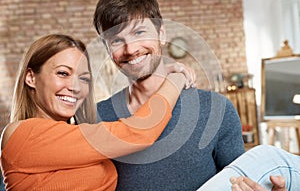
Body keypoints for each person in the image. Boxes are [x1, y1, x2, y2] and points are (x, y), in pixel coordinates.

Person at [93, 0, 300, 190]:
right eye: (117, 40)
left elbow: (242, 181)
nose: (131, 49)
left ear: (161, 33)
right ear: (107, 49)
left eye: (139, 32)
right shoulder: (97, 118)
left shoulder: (215, 109)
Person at [0, 34, 195, 190]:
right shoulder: (24, 135)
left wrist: (156, 76)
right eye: (63, 73)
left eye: (84, 79)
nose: (75, 87)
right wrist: (175, 80)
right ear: (31, 78)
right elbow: (137, 133)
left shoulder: (71, 135)